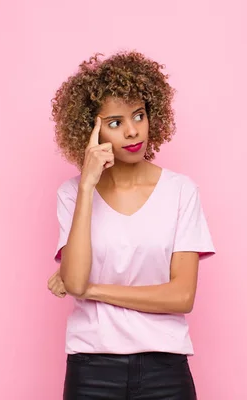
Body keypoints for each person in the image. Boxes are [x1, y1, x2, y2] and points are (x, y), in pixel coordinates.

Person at [46, 50, 215, 399]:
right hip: (92, 370)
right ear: (90, 130)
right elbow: (74, 278)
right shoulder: (72, 194)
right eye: (115, 123)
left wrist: (91, 291)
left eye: (139, 115)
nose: (133, 130)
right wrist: (87, 186)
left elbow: (181, 296)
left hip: (164, 369)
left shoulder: (180, 191)